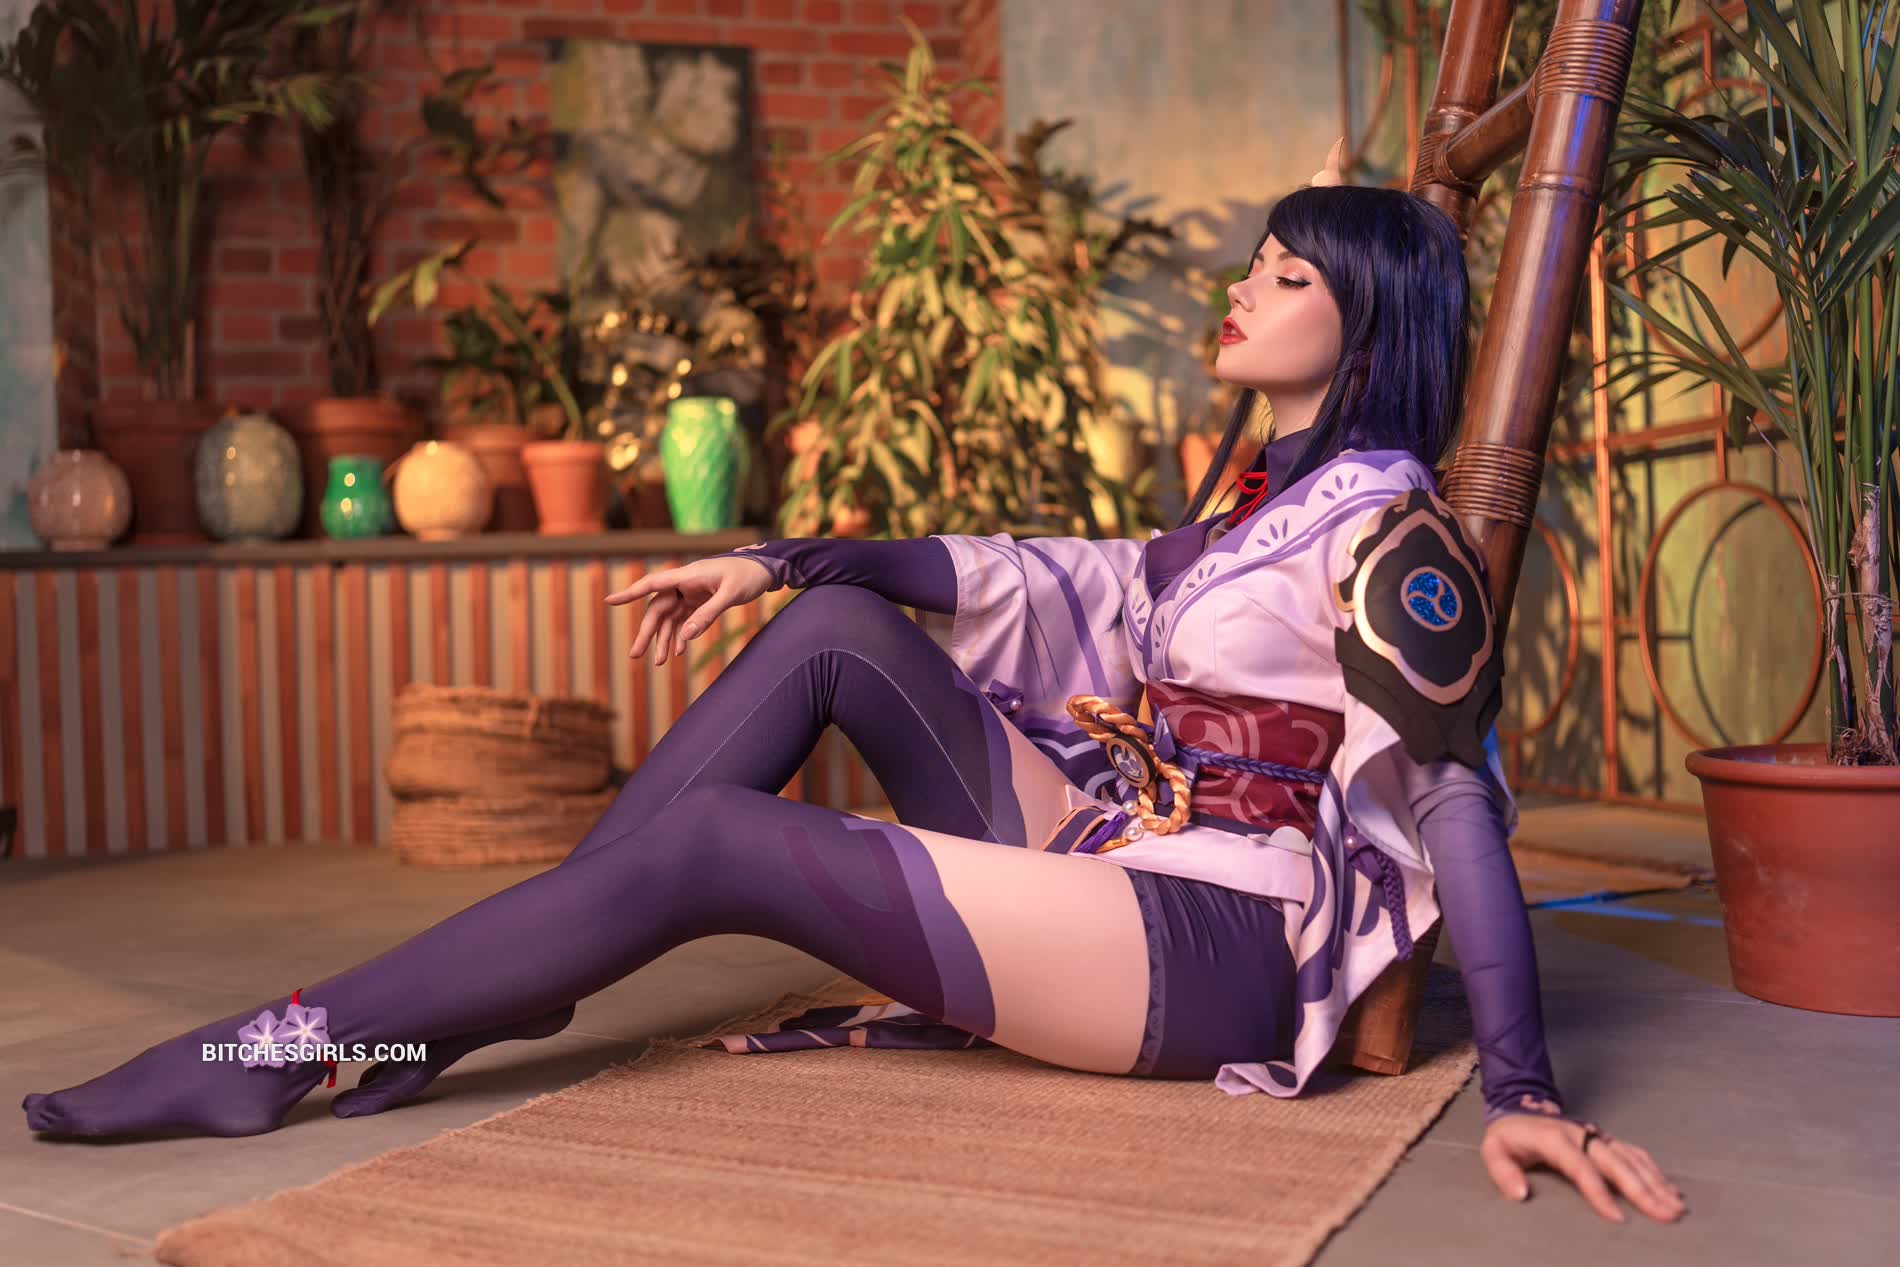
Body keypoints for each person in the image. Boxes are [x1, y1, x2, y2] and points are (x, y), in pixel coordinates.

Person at [22, 160, 1684, 1225]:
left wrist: (1525, 1089)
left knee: (713, 852)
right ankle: (512, 974)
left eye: (1286, 276)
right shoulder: (1255, 508)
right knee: (837, 630)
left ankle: (308, 1043)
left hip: (1216, 943)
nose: (1241, 290)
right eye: (1251, 262)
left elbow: (1455, 800)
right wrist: (779, 558)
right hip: (1129, 847)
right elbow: (1063, 576)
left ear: (1368, 324)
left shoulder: (1395, 538)